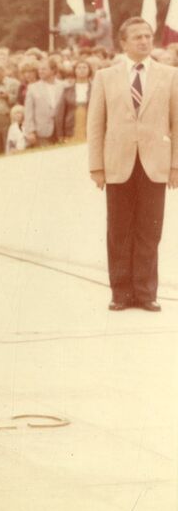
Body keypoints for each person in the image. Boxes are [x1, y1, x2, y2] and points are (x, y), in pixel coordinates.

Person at [87, 17, 178, 312]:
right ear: (123, 42)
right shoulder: (105, 77)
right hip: (118, 162)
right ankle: (121, 293)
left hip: (155, 162)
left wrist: (175, 166)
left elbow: (177, 123)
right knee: (119, 230)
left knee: (150, 230)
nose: (144, 41)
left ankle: (146, 292)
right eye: (137, 37)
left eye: (148, 36)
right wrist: (96, 166)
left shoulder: (170, 76)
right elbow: (95, 125)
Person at [24, 58, 62, 147]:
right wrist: (30, 131)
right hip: (42, 131)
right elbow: (28, 112)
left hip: (61, 131)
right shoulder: (33, 88)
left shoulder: (63, 86)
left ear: (53, 70)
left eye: (44, 69)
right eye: (39, 69)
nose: (40, 71)